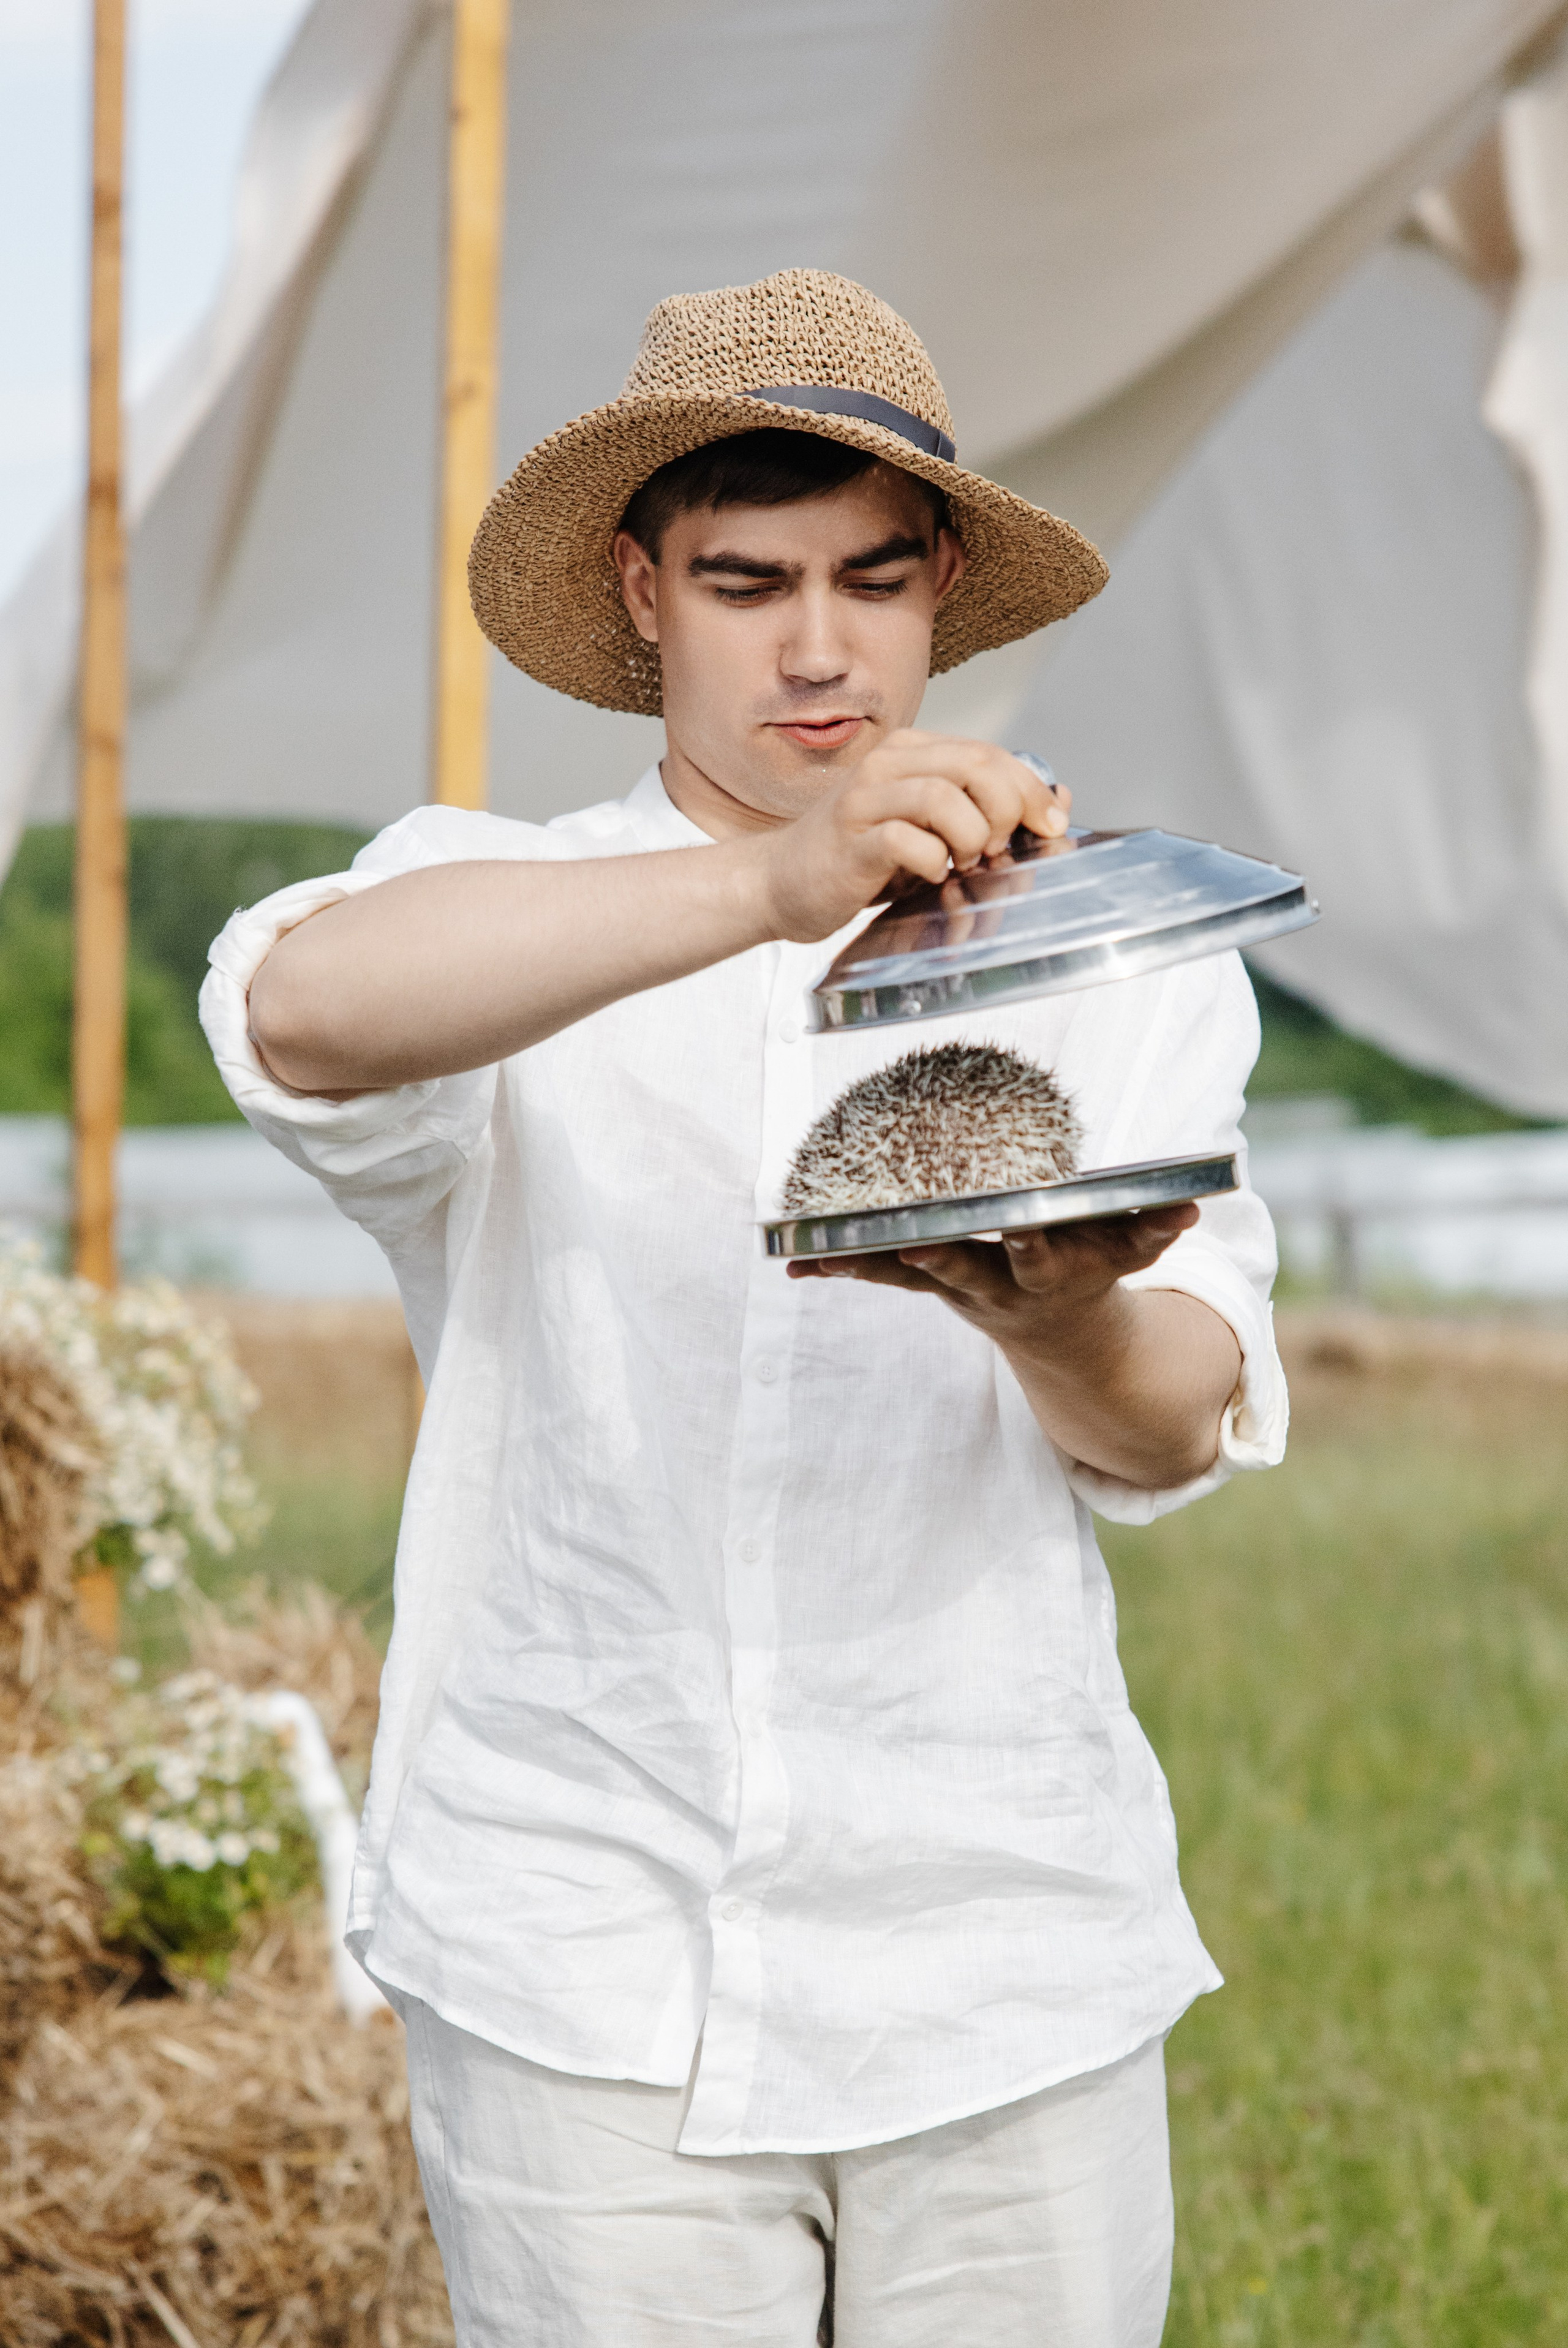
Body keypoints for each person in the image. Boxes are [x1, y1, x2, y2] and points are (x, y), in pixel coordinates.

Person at [203, 268, 1287, 2347]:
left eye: (874, 583)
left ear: (944, 585)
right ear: (639, 590)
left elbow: (1173, 1423)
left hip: (1003, 1950)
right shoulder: (503, 900)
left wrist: (1050, 1313)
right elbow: (295, 1009)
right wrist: (778, 885)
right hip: (577, 1950)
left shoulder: (1122, 952)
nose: (817, 649)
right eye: (746, 581)